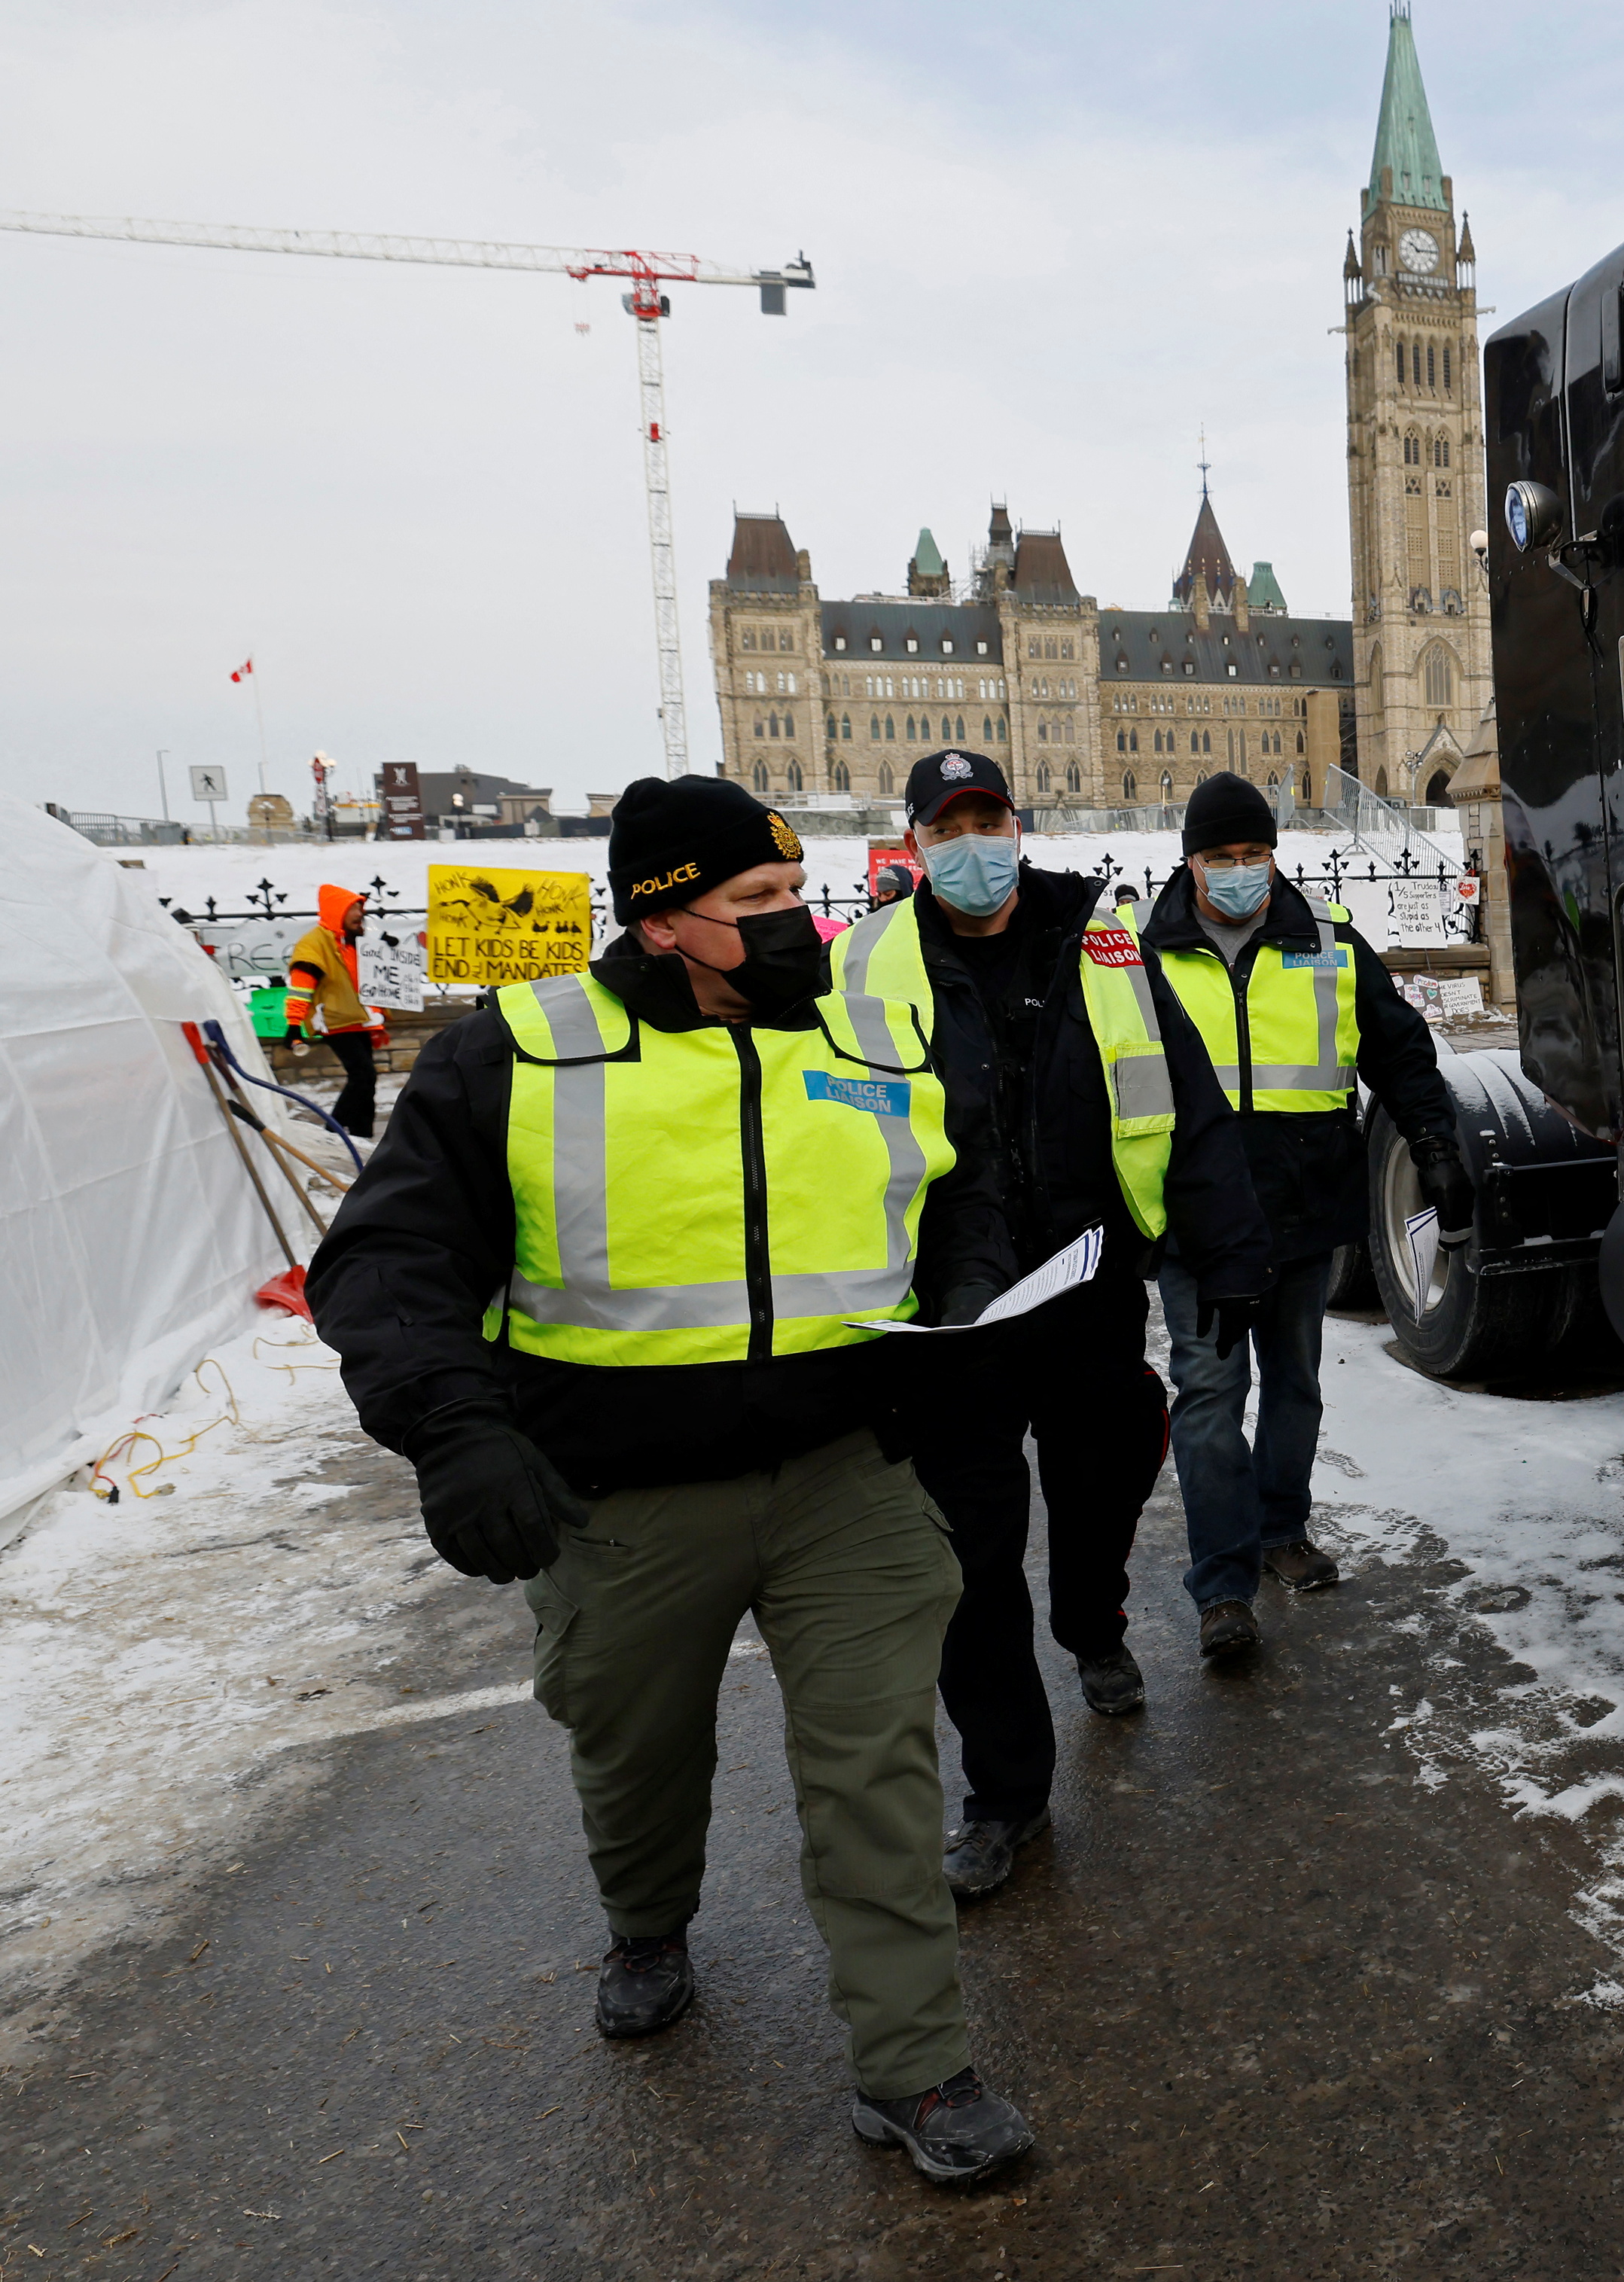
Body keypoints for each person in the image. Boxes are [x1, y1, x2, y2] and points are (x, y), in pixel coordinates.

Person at [304, 775, 1034, 2183]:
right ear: (662, 923)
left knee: (877, 1769)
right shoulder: (508, 1059)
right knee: (634, 1750)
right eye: (755, 904)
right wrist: (457, 1429)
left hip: (845, 1476)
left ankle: (916, 2069)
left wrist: (969, 1295)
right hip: (621, 1497)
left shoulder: (869, 1031)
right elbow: (388, 1264)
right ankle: (646, 1924)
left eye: (794, 893)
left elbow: (959, 1193)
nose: (795, 924)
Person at [830, 751, 1270, 1901]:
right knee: (970, 1560)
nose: (973, 844)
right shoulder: (865, 958)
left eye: (989, 819)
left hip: (1087, 1282)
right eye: (949, 825)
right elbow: (810, 1123)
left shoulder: (1102, 940)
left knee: (1108, 1470)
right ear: (916, 840)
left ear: (1017, 825)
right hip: (952, 1310)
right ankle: (1007, 1793)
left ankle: (1093, 1617)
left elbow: (1189, 1095)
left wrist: (1226, 1248)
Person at [1136, 773, 1472, 1647]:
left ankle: (1282, 1527)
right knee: (1210, 1394)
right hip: (1197, 1218)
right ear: (1191, 859)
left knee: (1295, 1385)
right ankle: (1222, 1585)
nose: (1241, 870)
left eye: (1254, 853)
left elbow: (1399, 1050)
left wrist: (1432, 1141)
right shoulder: (1140, 958)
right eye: (1221, 856)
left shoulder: (1329, 944)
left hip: (1304, 1206)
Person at [286, 884, 378, 1136]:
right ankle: (332, 1131)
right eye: (353, 908)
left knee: (367, 1080)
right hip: (334, 1020)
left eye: (361, 907)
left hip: (358, 1018)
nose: (360, 914)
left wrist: (388, 950)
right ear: (337, 911)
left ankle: (363, 1135)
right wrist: (294, 1024)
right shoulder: (314, 944)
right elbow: (301, 987)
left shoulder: (350, 942)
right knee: (363, 1076)